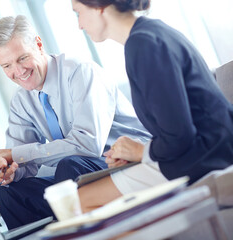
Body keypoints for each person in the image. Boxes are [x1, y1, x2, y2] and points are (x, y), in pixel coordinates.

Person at [0, 15, 151, 229]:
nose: (18, 72)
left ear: (38, 44)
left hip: (123, 161)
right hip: (80, 171)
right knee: (9, 193)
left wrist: (17, 155)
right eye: (7, 65)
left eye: (22, 58)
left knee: (69, 166)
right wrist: (10, 170)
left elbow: (87, 145)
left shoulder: (80, 72)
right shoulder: (21, 101)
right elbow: (21, 161)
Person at [71, 0, 233, 212]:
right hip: (212, 144)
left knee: (80, 201)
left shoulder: (142, 45)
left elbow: (178, 136)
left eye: (78, 13)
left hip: (206, 154)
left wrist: (140, 151)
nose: (79, 25)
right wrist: (138, 150)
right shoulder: (151, 32)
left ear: (98, 6)